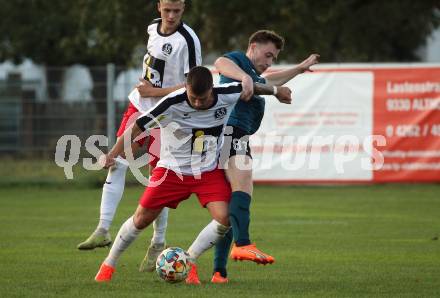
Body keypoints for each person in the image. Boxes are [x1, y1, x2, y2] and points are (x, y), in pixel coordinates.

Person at [93, 66, 291, 284]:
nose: (197, 103)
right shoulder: (171, 102)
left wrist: (276, 91)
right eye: (193, 98)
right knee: (141, 219)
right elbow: (136, 128)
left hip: (207, 171)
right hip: (171, 170)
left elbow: (251, 86)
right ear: (186, 88)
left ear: (212, 91)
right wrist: (111, 154)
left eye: (203, 99)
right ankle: (108, 264)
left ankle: (189, 259)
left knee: (227, 218)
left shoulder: (226, 93)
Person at [77, 0, 202, 273]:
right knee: (116, 159)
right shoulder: (153, 28)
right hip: (139, 106)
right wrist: (146, 93)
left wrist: (154, 93)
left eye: (176, 11)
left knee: (158, 177)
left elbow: (193, 86)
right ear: (158, 6)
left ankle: (158, 243)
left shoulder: (189, 41)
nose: (170, 16)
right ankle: (103, 228)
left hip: (166, 114)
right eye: (166, 10)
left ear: (184, 9)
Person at [210, 30, 320, 283]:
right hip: (230, 132)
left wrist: (300, 68)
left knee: (230, 210)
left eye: (273, 58)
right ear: (253, 46)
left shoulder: (254, 75)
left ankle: (219, 271)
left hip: (234, 135)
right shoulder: (237, 62)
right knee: (244, 187)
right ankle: (244, 243)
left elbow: (270, 79)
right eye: (267, 54)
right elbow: (220, 63)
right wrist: (260, 86)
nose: (269, 61)